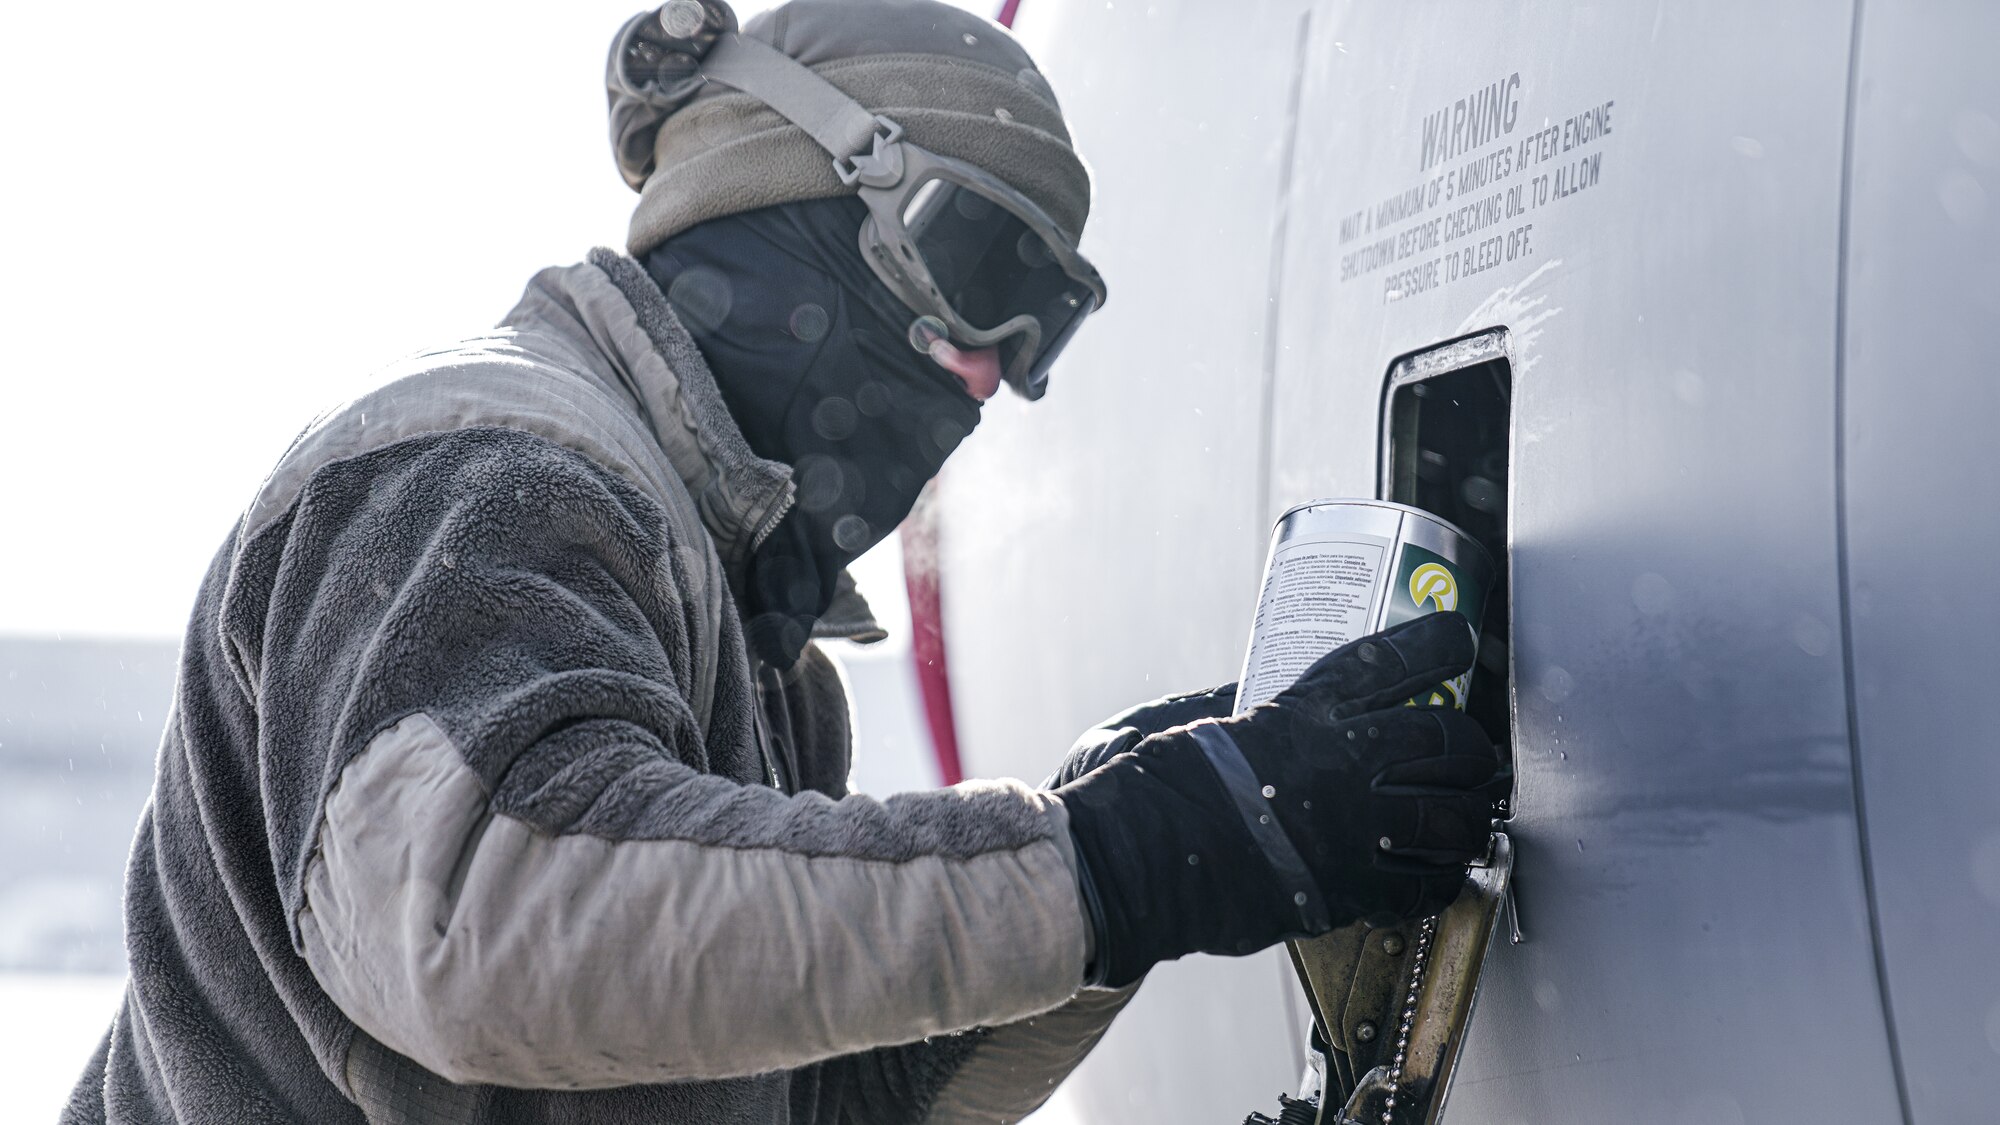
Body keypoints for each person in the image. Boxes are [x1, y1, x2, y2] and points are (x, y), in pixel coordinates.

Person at [62, 2, 1504, 1122]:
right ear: (783, 197)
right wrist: (1111, 863)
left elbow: (793, 1089)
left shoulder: (759, 659)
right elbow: (479, 916)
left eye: (1030, 341)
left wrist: (1131, 861)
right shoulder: (481, 461)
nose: (979, 382)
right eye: (976, 279)